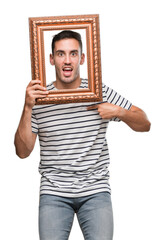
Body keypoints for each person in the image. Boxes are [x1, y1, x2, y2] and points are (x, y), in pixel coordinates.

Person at [14, 30, 151, 240]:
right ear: (51, 59)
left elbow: (145, 124)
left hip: (95, 188)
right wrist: (27, 107)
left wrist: (119, 112)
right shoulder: (38, 99)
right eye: (60, 54)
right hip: (54, 191)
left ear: (82, 58)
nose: (67, 61)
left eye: (73, 53)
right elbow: (22, 152)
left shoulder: (98, 92)